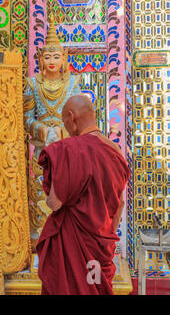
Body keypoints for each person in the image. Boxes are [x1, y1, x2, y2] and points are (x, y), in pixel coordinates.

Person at [36, 94, 129, 295]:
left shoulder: (68, 150)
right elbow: (120, 202)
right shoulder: (114, 150)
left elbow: (55, 203)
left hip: (73, 247)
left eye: (64, 121)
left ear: (72, 117)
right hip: (100, 245)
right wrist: (105, 235)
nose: (65, 127)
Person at [24, 15, 82, 248]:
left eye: (56, 56)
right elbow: (25, 118)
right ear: (39, 59)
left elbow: (78, 118)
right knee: (40, 193)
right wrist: (40, 129)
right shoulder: (32, 84)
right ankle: (40, 239)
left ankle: (66, 239)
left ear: (64, 59)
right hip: (40, 149)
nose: (51, 61)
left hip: (64, 146)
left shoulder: (72, 83)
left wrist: (61, 131)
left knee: (68, 193)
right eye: (47, 56)